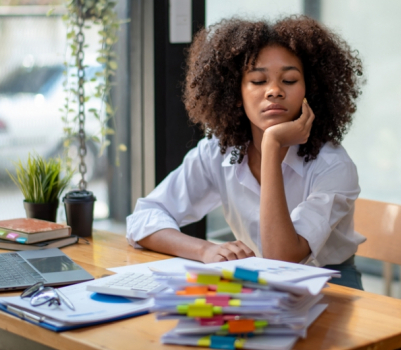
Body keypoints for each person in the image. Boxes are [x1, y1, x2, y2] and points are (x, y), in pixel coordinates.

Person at [126, 15, 365, 289]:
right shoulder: (218, 151)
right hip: (256, 284)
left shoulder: (333, 165)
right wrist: (205, 251)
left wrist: (272, 145)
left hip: (331, 286)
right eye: (258, 81)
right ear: (235, 93)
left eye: (289, 80)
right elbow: (144, 218)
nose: (274, 91)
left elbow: (282, 257)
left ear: (310, 91)